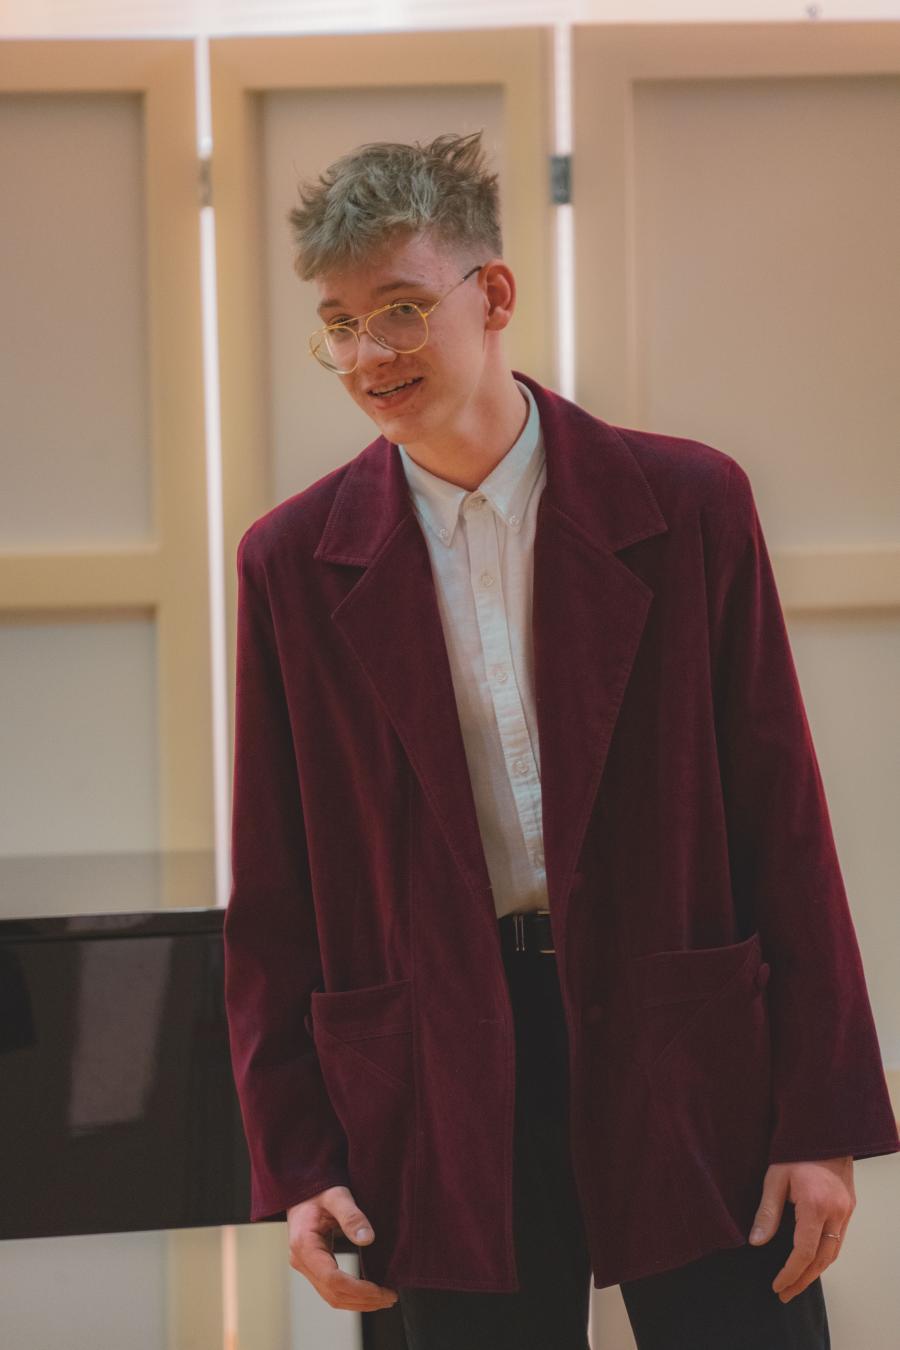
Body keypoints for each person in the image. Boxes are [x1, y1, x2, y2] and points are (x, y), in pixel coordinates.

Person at [223, 131, 899, 1349]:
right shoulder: (290, 564)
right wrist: (299, 1156)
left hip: (685, 1043)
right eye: (340, 325)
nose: (369, 356)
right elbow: (276, 892)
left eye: (401, 310)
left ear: (493, 296)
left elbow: (783, 819)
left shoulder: (691, 505)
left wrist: (819, 1117)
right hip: (431, 1069)